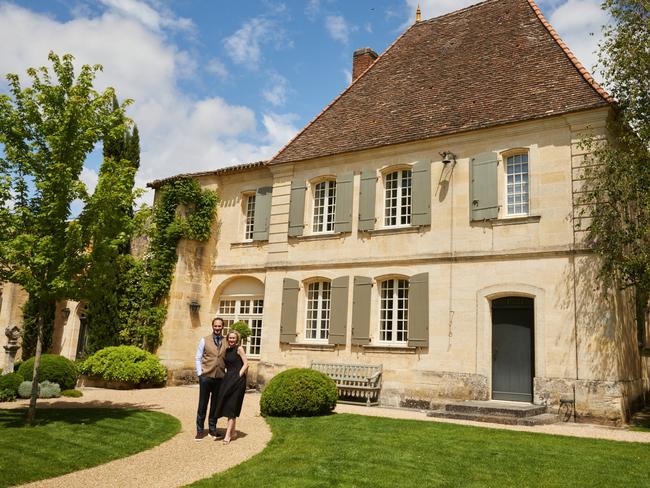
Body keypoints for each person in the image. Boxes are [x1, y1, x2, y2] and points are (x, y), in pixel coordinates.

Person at [194, 317, 227, 441]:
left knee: (215, 405)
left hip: (219, 377)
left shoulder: (226, 341)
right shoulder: (204, 340)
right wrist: (199, 373)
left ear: (222, 327)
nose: (217, 328)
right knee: (202, 404)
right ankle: (200, 431)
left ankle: (212, 430)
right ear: (212, 326)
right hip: (206, 377)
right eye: (215, 326)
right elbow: (198, 357)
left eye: (219, 326)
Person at [215, 330, 249, 444]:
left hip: (238, 381)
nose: (231, 340)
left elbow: (246, 364)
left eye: (234, 338)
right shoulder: (227, 350)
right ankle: (233, 432)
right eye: (230, 338)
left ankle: (228, 435)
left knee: (231, 407)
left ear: (237, 339)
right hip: (228, 379)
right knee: (227, 405)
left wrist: (239, 375)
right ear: (227, 339)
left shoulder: (239, 349)